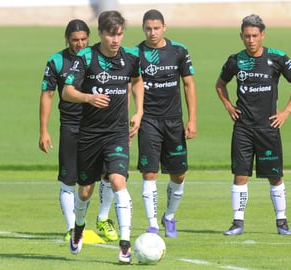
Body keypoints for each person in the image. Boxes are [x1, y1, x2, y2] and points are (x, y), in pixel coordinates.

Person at [62, 10, 144, 264]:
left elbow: (137, 80)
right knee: (85, 191)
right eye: (111, 34)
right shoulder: (86, 58)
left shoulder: (130, 57)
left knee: (119, 181)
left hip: (117, 133)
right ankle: (78, 226)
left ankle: (125, 244)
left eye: (119, 34)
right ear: (101, 34)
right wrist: (88, 97)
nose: (115, 39)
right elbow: (67, 92)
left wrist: (139, 112)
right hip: (89, 134)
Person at [215, 14, 291, 236]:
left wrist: (286, 111)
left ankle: (282, 221)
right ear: (241, 36)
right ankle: (237, 222)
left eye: (255, 35)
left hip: (268, 127)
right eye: (247, 36)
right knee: (240, 175)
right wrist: (228, 106)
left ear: (262, 35)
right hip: (243, 128)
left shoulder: (277, 58)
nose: (251, 40)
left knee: (275, 176)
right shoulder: (235, 60)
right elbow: (220, 84)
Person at [38, 19, 118, 242]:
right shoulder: (56, 61)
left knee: (109, 174)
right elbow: (47, 95)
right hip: (71, 126)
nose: (80, 44)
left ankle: (103, 219)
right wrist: (43, 130)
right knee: (69, 179)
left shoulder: (99, 57)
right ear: (67, 39)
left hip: (99, 127)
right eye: (75, 40)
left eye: (84, 39)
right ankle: (72, 228)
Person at [136, 9, 197, 238]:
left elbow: (189, 85)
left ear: (164, 27)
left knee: (178, 174)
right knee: (149, 173)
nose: (152, 33)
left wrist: (191, 119)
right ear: (143, 29)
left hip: (174, 122)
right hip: (148, 121)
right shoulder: (135, 53)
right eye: (148, 28)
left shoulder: (179, 51)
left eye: (156, 28)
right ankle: (152, 224)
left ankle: (169, 216)